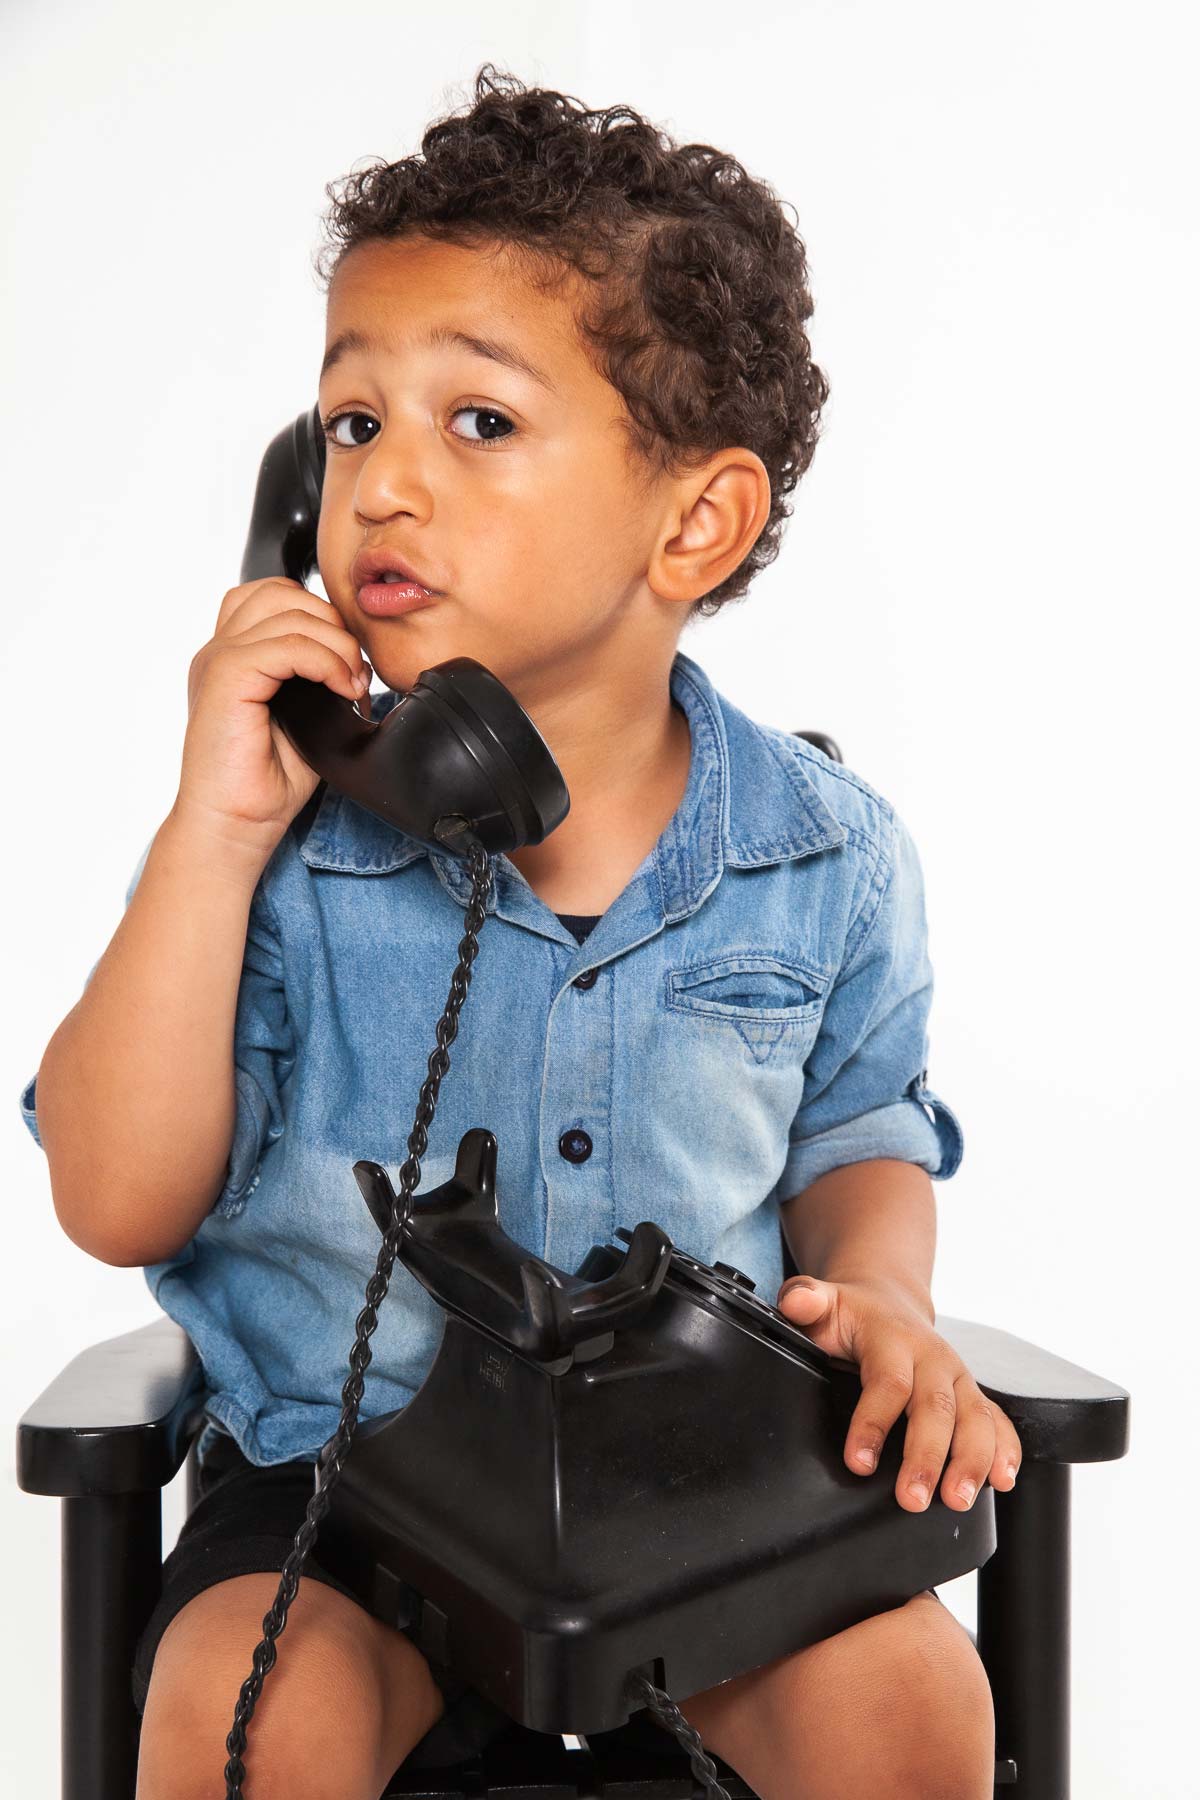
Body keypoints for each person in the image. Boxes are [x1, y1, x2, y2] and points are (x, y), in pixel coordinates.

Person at [20, 64, 1020, 1800]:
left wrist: (877, 1291)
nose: (385, 487)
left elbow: (858, 1132)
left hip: (696, 1485)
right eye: (351, 425)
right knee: (250, 1713)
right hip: (338, 1494)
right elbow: (117, 1200)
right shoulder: (268, 841)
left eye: (477, 422)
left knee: (909, 1706)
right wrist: (216, 833)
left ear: (693, 522)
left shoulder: (826, 854)